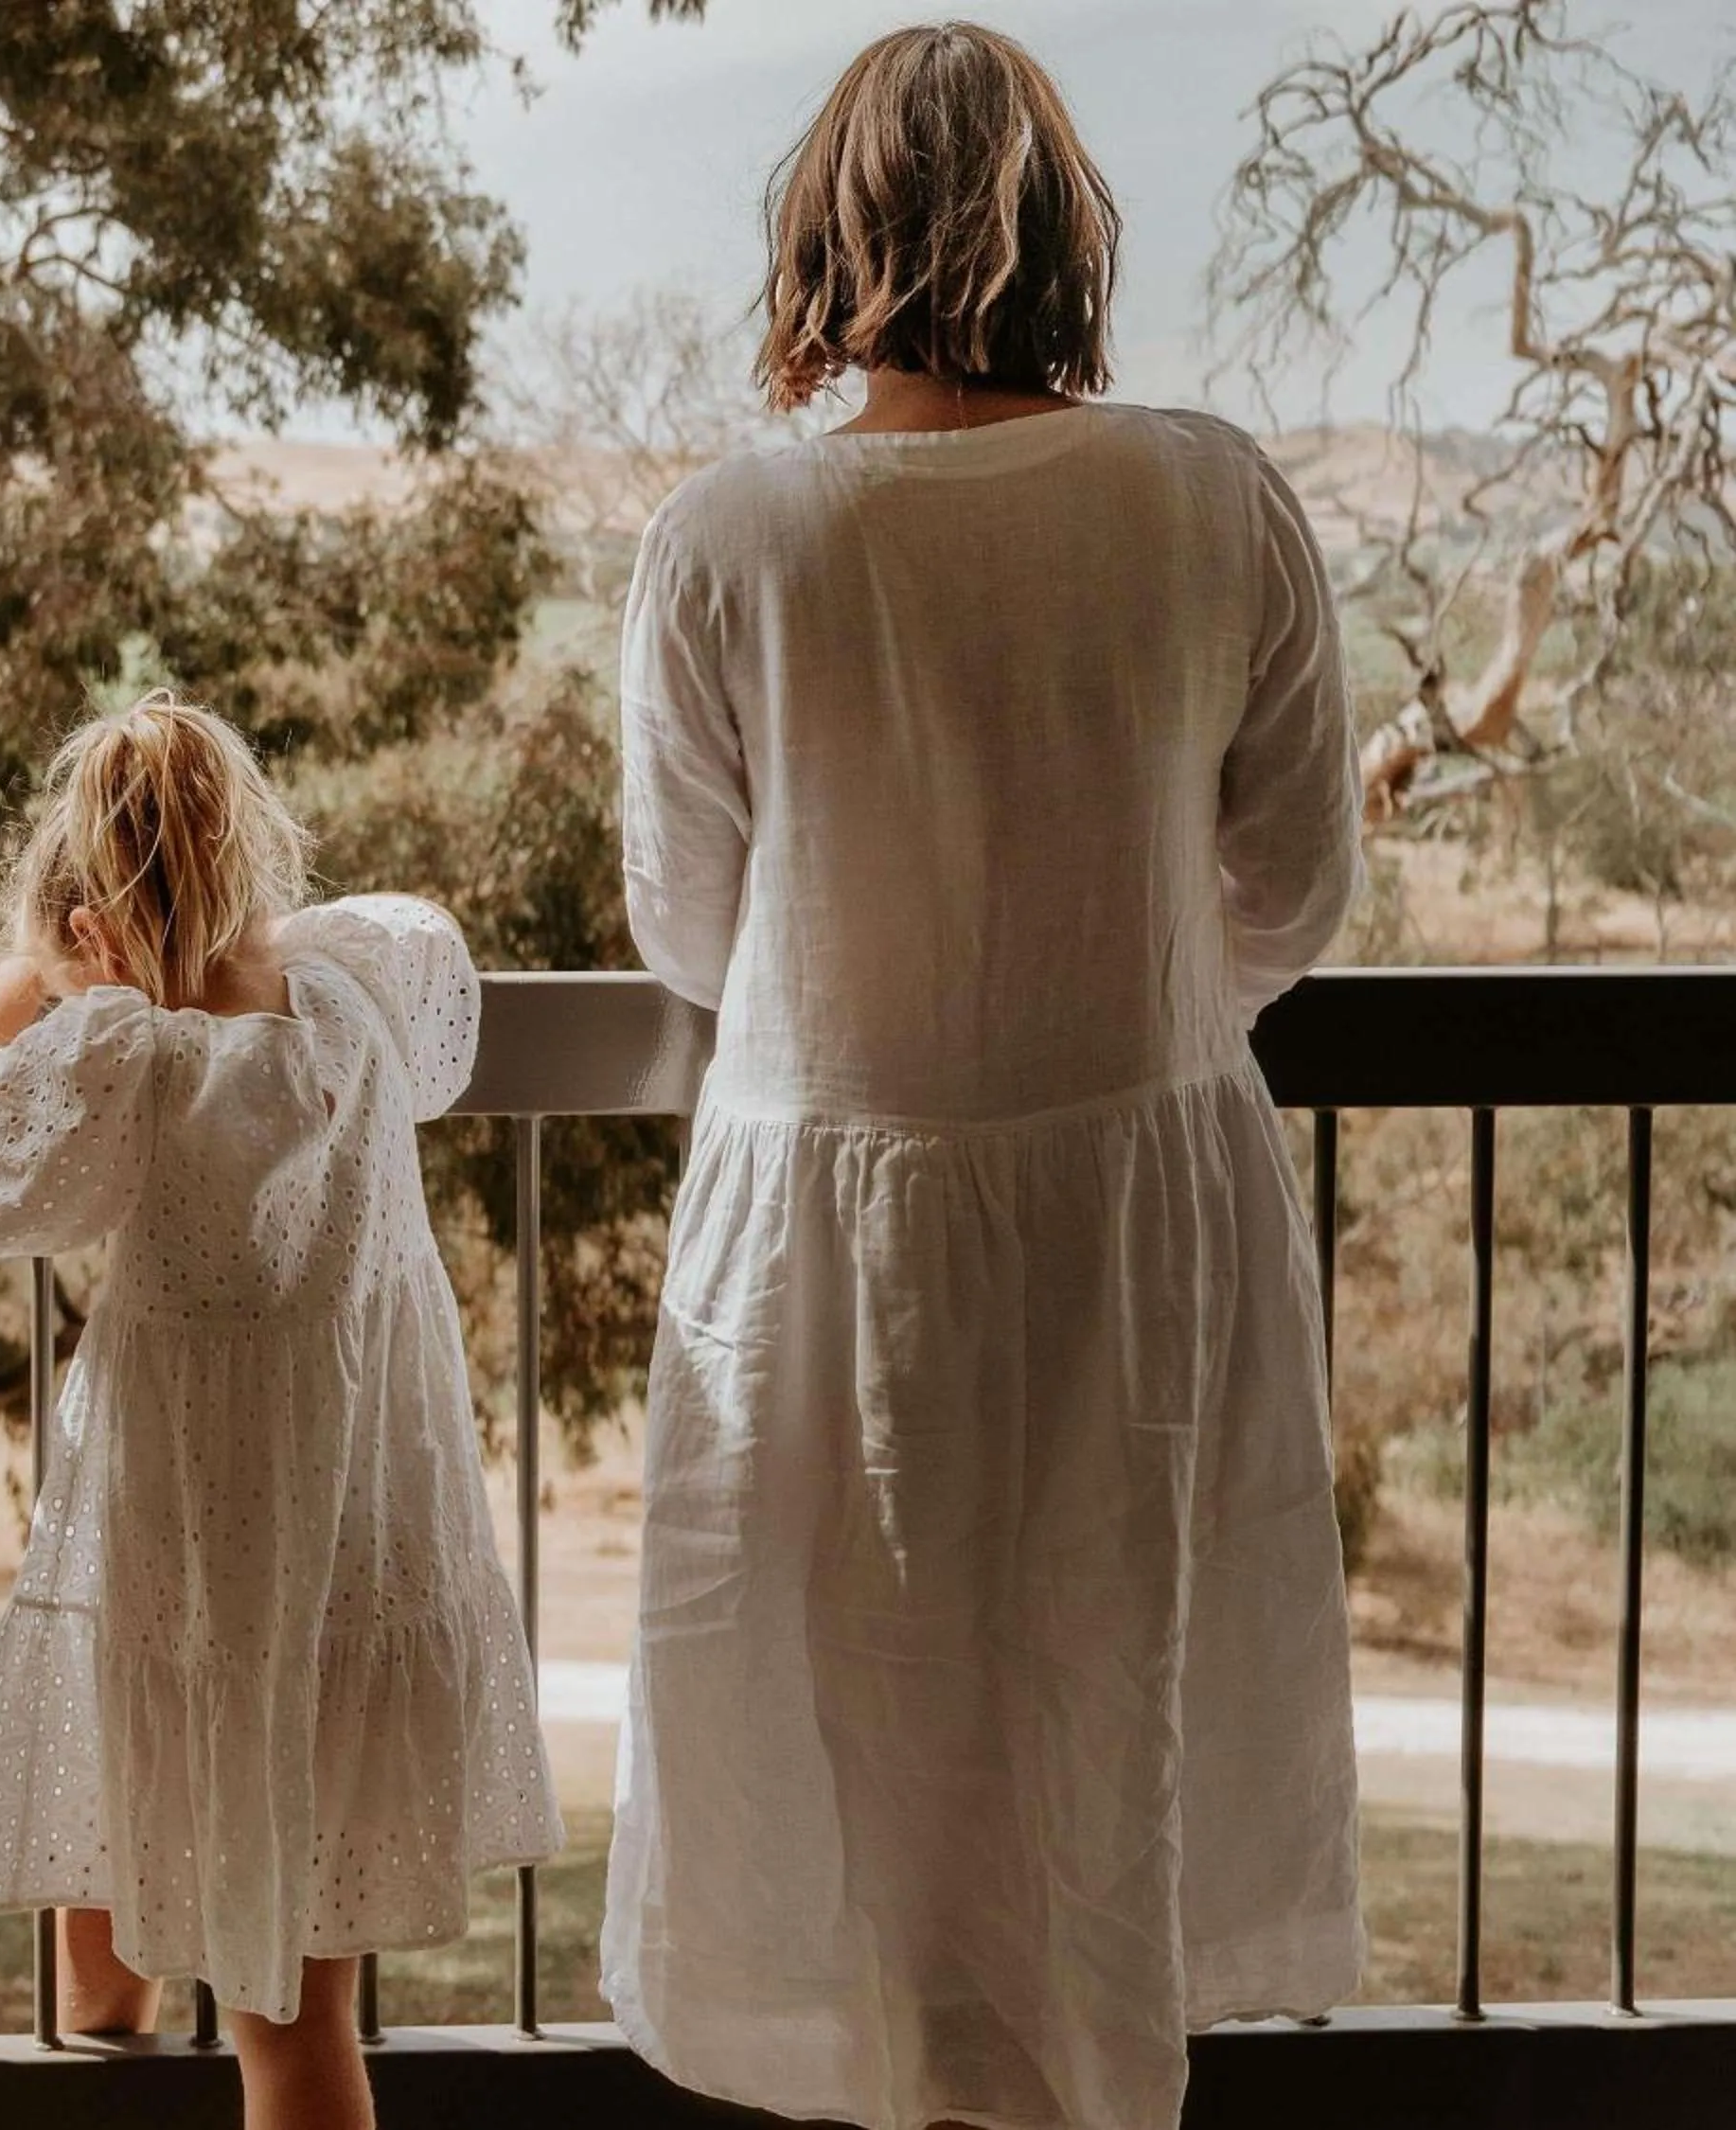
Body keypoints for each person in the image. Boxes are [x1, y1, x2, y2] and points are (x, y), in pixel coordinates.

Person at [603, 24, 1365, 2130]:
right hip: (1140, 1214)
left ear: (823, 235)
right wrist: (1109, 998)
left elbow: (690, 926)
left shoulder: (737, 536)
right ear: (1066, 236)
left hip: (824, 1246)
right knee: (1103, 1737)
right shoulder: (1210, 497)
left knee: (848, 1784)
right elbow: (1296, 882)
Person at [0, 693, 561, 2130]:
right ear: (250, 843)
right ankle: (121, 2027)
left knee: (243, 1971)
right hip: (361, 1528)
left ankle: (105, 2052)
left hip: (195, 1538)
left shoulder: (131, 1056)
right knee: (266, 1947)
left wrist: (37, 974)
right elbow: (409, 946)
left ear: (91, 904)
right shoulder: (357, 989)